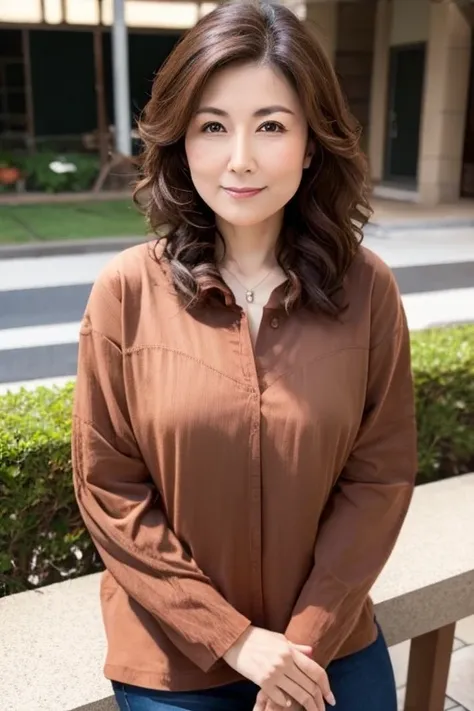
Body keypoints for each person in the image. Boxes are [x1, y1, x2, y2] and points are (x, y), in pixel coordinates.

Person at [71, 1, 418, 710]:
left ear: (312, 143)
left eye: (271, 126)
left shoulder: (367, 289)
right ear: (181, 140)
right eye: (213, 126)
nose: (240, 159)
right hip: (175, 657)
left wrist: (305, 640)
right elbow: (110, 490)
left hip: (326, 649)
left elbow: (379, 477)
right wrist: (233, 637)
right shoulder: (126, 293)